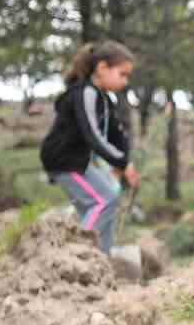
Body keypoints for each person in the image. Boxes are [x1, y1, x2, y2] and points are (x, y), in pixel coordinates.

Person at [40, 41, 137, 254]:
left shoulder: (104, 99)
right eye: (122, 74)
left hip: (79, 160)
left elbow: (117, 134)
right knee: (105, 201)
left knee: (106, 204)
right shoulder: (85, 93)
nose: (125, 81)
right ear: (102, 68)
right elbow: (92, 135)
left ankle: (103, 259)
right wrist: (120, 161)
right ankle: (78, 255)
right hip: (64, 159)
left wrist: (126, 161)